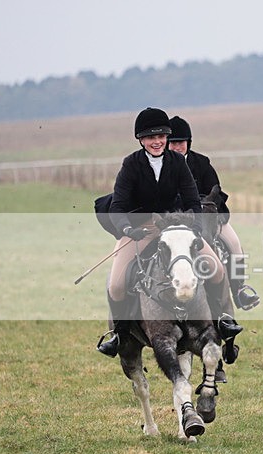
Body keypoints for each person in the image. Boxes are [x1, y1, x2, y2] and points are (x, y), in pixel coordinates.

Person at [97, 107, 241, 357]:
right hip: (141, 230)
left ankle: (223, 321)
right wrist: (128, 229)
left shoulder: (176, 162)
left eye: (161, 136)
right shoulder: (131, 164)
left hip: (177, 228)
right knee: (117, 284)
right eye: (151, 137)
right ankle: (119, 334)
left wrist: (194, 226)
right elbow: (118, 206)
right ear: (141, 140)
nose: (157, 141)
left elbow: (192, 199)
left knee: (217, 270)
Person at [167, 115, 260, 310]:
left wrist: (206, 205)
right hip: (175, 220)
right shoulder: (163, 166)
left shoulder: (201, 162)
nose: (177, 147)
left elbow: (216, 190)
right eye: (172, 143)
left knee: (234, 244)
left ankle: (238, 290)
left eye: (180, 142)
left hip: (207, 216)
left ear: (188, 142)